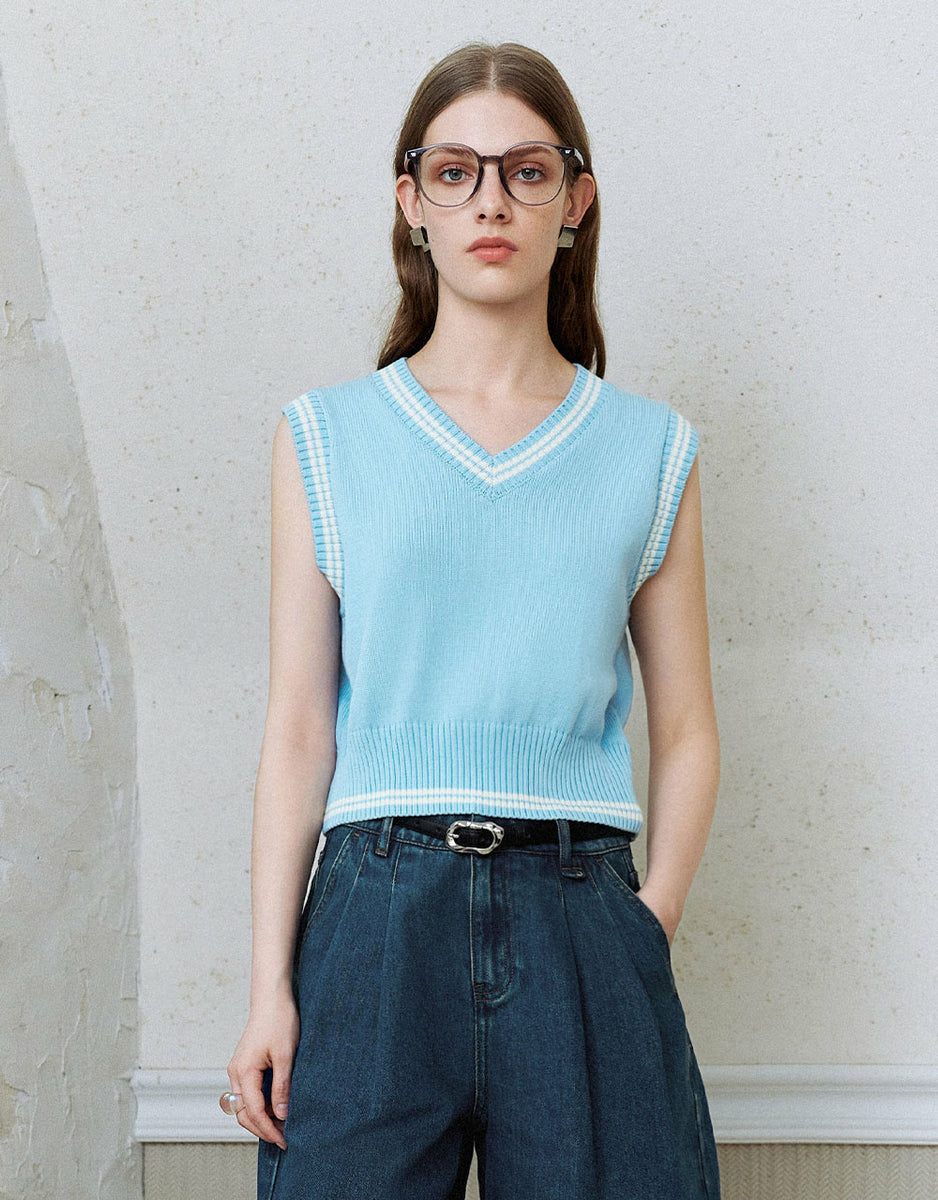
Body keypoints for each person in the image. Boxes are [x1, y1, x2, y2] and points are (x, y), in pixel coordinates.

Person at [223, 40, 722, 1200]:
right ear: (411, 203)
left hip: (582, 908)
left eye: (525, 171)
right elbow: (297, 729)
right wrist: (268, 987)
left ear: (574, 202)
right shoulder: (323, 438)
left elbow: (687, 726)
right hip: (371, 916)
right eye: (454, 172)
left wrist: (647, 920)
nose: (489, 202)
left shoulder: (650, 449)